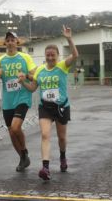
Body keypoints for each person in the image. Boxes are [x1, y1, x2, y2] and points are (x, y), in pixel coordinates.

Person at [18, 25, 78, 181]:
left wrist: (69, 38)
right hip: (45, 107)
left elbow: (75, 55)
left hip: (61, 106)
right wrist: (23, 82)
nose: (50, 58)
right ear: (45, 56)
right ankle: (45, 168)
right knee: (45, 135)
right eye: (48, 55)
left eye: (53, 55)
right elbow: (32, 88)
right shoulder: (39, 70)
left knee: (62, 138)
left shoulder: (62, 66)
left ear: (57, 56)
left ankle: (63, 157)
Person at [0, 31, 37, 172]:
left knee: (16, 127)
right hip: (8, 101)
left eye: (12, 39)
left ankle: (24, 152)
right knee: (11, 132)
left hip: (22, 97)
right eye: (8, 40)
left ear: (17, 42)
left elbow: (35, 76)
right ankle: (23, 157)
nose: (10, 42)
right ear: (5, 43)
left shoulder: (25, 57)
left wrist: (26, 76)